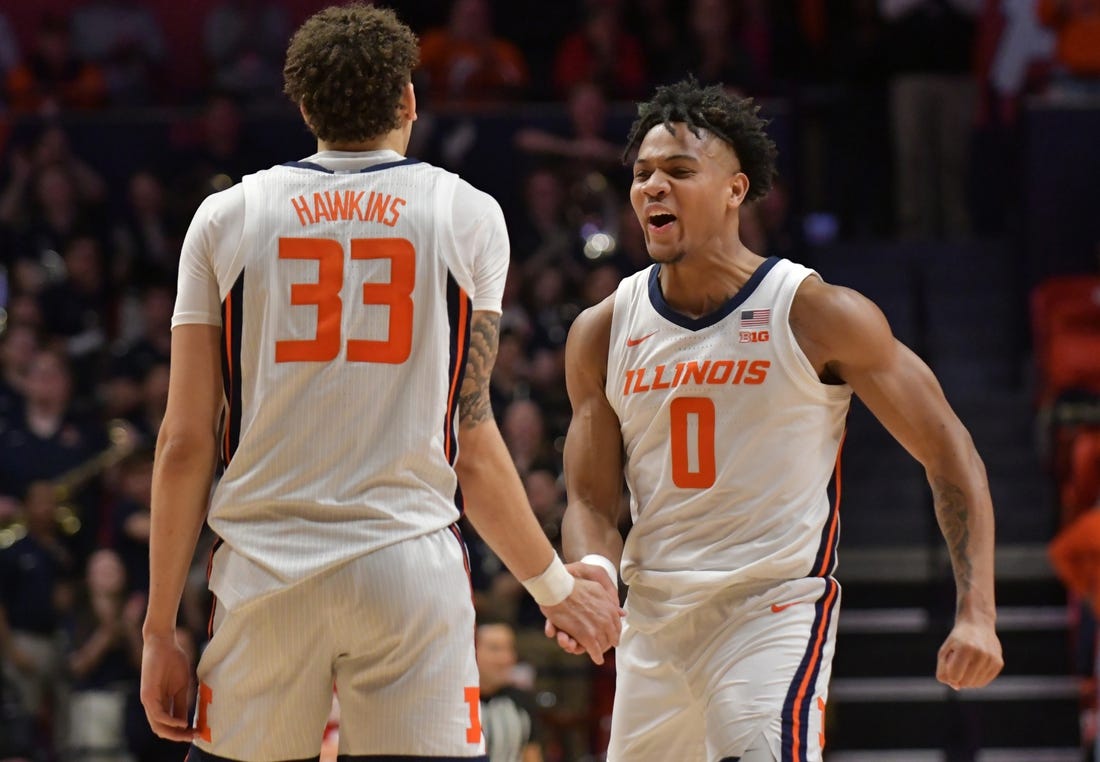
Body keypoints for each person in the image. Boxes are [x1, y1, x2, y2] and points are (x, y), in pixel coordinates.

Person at [138, 5, 622, 762]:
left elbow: (183, 443)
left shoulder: (224, 219)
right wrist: (558, 590)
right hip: (407, 570)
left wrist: (159, 628)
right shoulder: (466, 215)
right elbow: (474, 441)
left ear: (303, 106)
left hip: (266, 571)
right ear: (409, 99)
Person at [555, 79, 1004, 762]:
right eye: (642, 174)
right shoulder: (601, 330)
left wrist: (977, 610)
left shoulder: (814, 312)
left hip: (770, 610)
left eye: (678, 172)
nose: (652, 188)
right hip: (652, 621)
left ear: (736, 190)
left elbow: (949, 450)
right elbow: (590, 496)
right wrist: (589, 570)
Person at [475, 618, 544, 762]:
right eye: (495, 649)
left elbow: (532, 755)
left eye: (509, 649)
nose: (505, 658)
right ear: (473, 651)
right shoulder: (455, 702)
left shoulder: (522, 700)